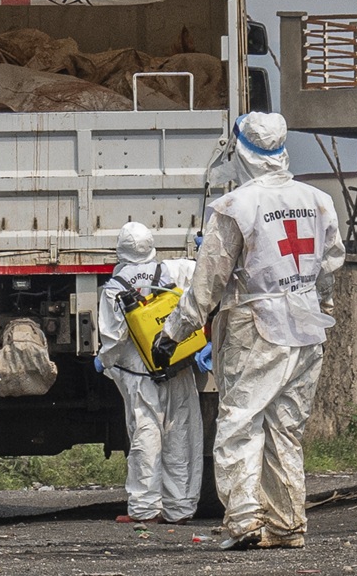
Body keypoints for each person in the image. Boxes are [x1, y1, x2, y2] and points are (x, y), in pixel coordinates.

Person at [151, 111, 344, 550]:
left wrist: (173, 332)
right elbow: (329, 266)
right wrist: (322, 307)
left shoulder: (236, 205)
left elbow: (209, 280)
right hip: (307, 325)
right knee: (285, 428)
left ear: (241, 152)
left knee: (240, 422)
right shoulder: (318, 200)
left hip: (255, 326)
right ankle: (286, 524)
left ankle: (243, 522)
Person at [96, 222, 203, 526]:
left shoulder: (116, 287)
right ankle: (179, 508)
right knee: (180, 433)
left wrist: (105, 362)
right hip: (174, 364)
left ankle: (145, 509)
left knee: (145, 435)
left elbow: (114, 339)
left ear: (120, 251)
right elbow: (206, 279)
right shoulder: (171, 271)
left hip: (138, 372)